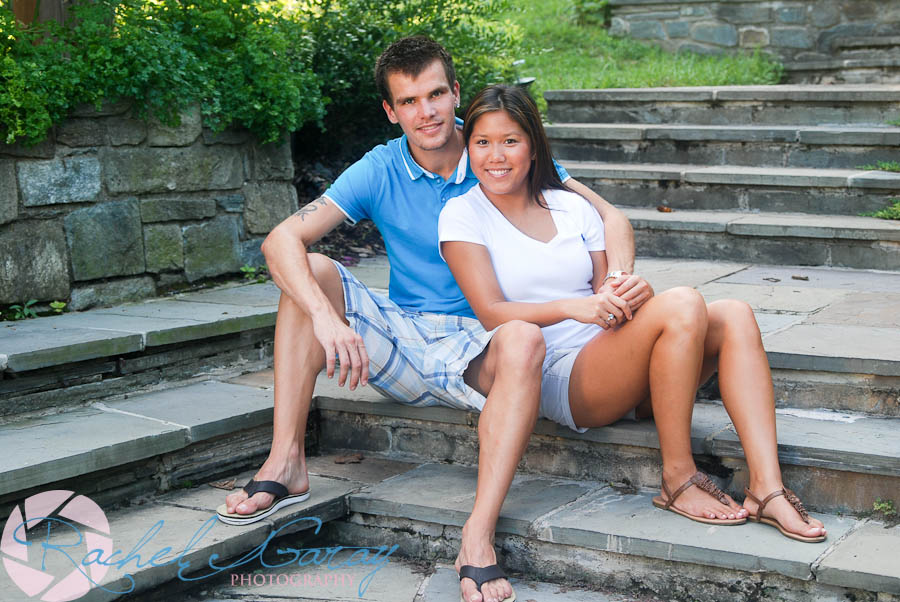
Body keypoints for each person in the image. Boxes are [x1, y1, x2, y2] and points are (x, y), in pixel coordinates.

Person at [216, 37, 651, 602]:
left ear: (455, 94)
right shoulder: (380, 167)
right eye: (410, 101)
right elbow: (281, 240)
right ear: (391, 112)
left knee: (519, 336)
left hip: (484, 343)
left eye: (436, 94)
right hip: (403, 337)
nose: (427, 112)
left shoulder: (496, 152)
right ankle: (286, 461)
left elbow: (608, 215)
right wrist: (327, 321)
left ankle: (478, 538)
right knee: (314, 272)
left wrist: (615, 280)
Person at [438, 84, 827, 544]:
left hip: (612, 359)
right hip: (560, 374)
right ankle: (677, 478)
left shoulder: (571, 206)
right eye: (482, 142)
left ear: (533, 145)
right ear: (470, 148)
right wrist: (574, 307)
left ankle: (767, 488)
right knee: (683, 302)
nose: (496, 156)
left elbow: (611, 297)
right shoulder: (462, 214)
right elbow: (491, 313)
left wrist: (629, 292)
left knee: (734, 314)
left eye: (510, 141)